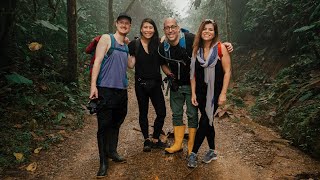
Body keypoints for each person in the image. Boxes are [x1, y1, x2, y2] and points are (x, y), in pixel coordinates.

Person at [158, 18, 233, 157]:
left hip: (194, 85)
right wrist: (170, 74)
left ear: (178, 27)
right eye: (167, 28)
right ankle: (178, 144)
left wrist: (226, 45)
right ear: (164, 30)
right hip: (178, 86)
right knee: (177, 114)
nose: (170, 30)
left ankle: (193, 146)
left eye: (173, 27)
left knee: (194, 115)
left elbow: (208, 43)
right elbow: (162, 63)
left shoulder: (190, 39)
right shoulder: (162, 46)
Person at [89, 12, 132, 178]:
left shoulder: (126, 45)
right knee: (103, 126)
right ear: (116, 24)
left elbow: (130, 64)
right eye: (121, 22)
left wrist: (135, 46)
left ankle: (112, 151)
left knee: (117, 122)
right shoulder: (107, 39)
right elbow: (98, 61)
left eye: (127, 23)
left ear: (129, 27)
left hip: (121, 90)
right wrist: (93, 86)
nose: (124, 25)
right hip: (105, 89)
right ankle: (103, 162)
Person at [187, 19, 231, 168]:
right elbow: (192, 74)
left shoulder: (220, 48)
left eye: (211, 29)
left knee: (205, 121)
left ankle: (193, 153)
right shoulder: (196, 50)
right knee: (208, 122)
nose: (207, 31)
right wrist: (193, 93)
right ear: (200, 31)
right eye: (205, 29)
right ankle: (212, 151)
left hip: (214, 92)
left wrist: (223, 93)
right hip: (200, 91)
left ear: (215, 33)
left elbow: (227, 72)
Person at [127, 18, 168, 152]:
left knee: (161, 112)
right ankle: (146, 140)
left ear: (154, 29)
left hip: (155, 84)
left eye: (151, 27)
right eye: (145, 27)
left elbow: (173, 40)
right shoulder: (134, 44)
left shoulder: (158, 43)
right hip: (141, 84)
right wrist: (125, 49)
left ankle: (155, 138)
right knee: (143, 112)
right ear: (141, 29)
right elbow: (131, 65)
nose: (148, 30)